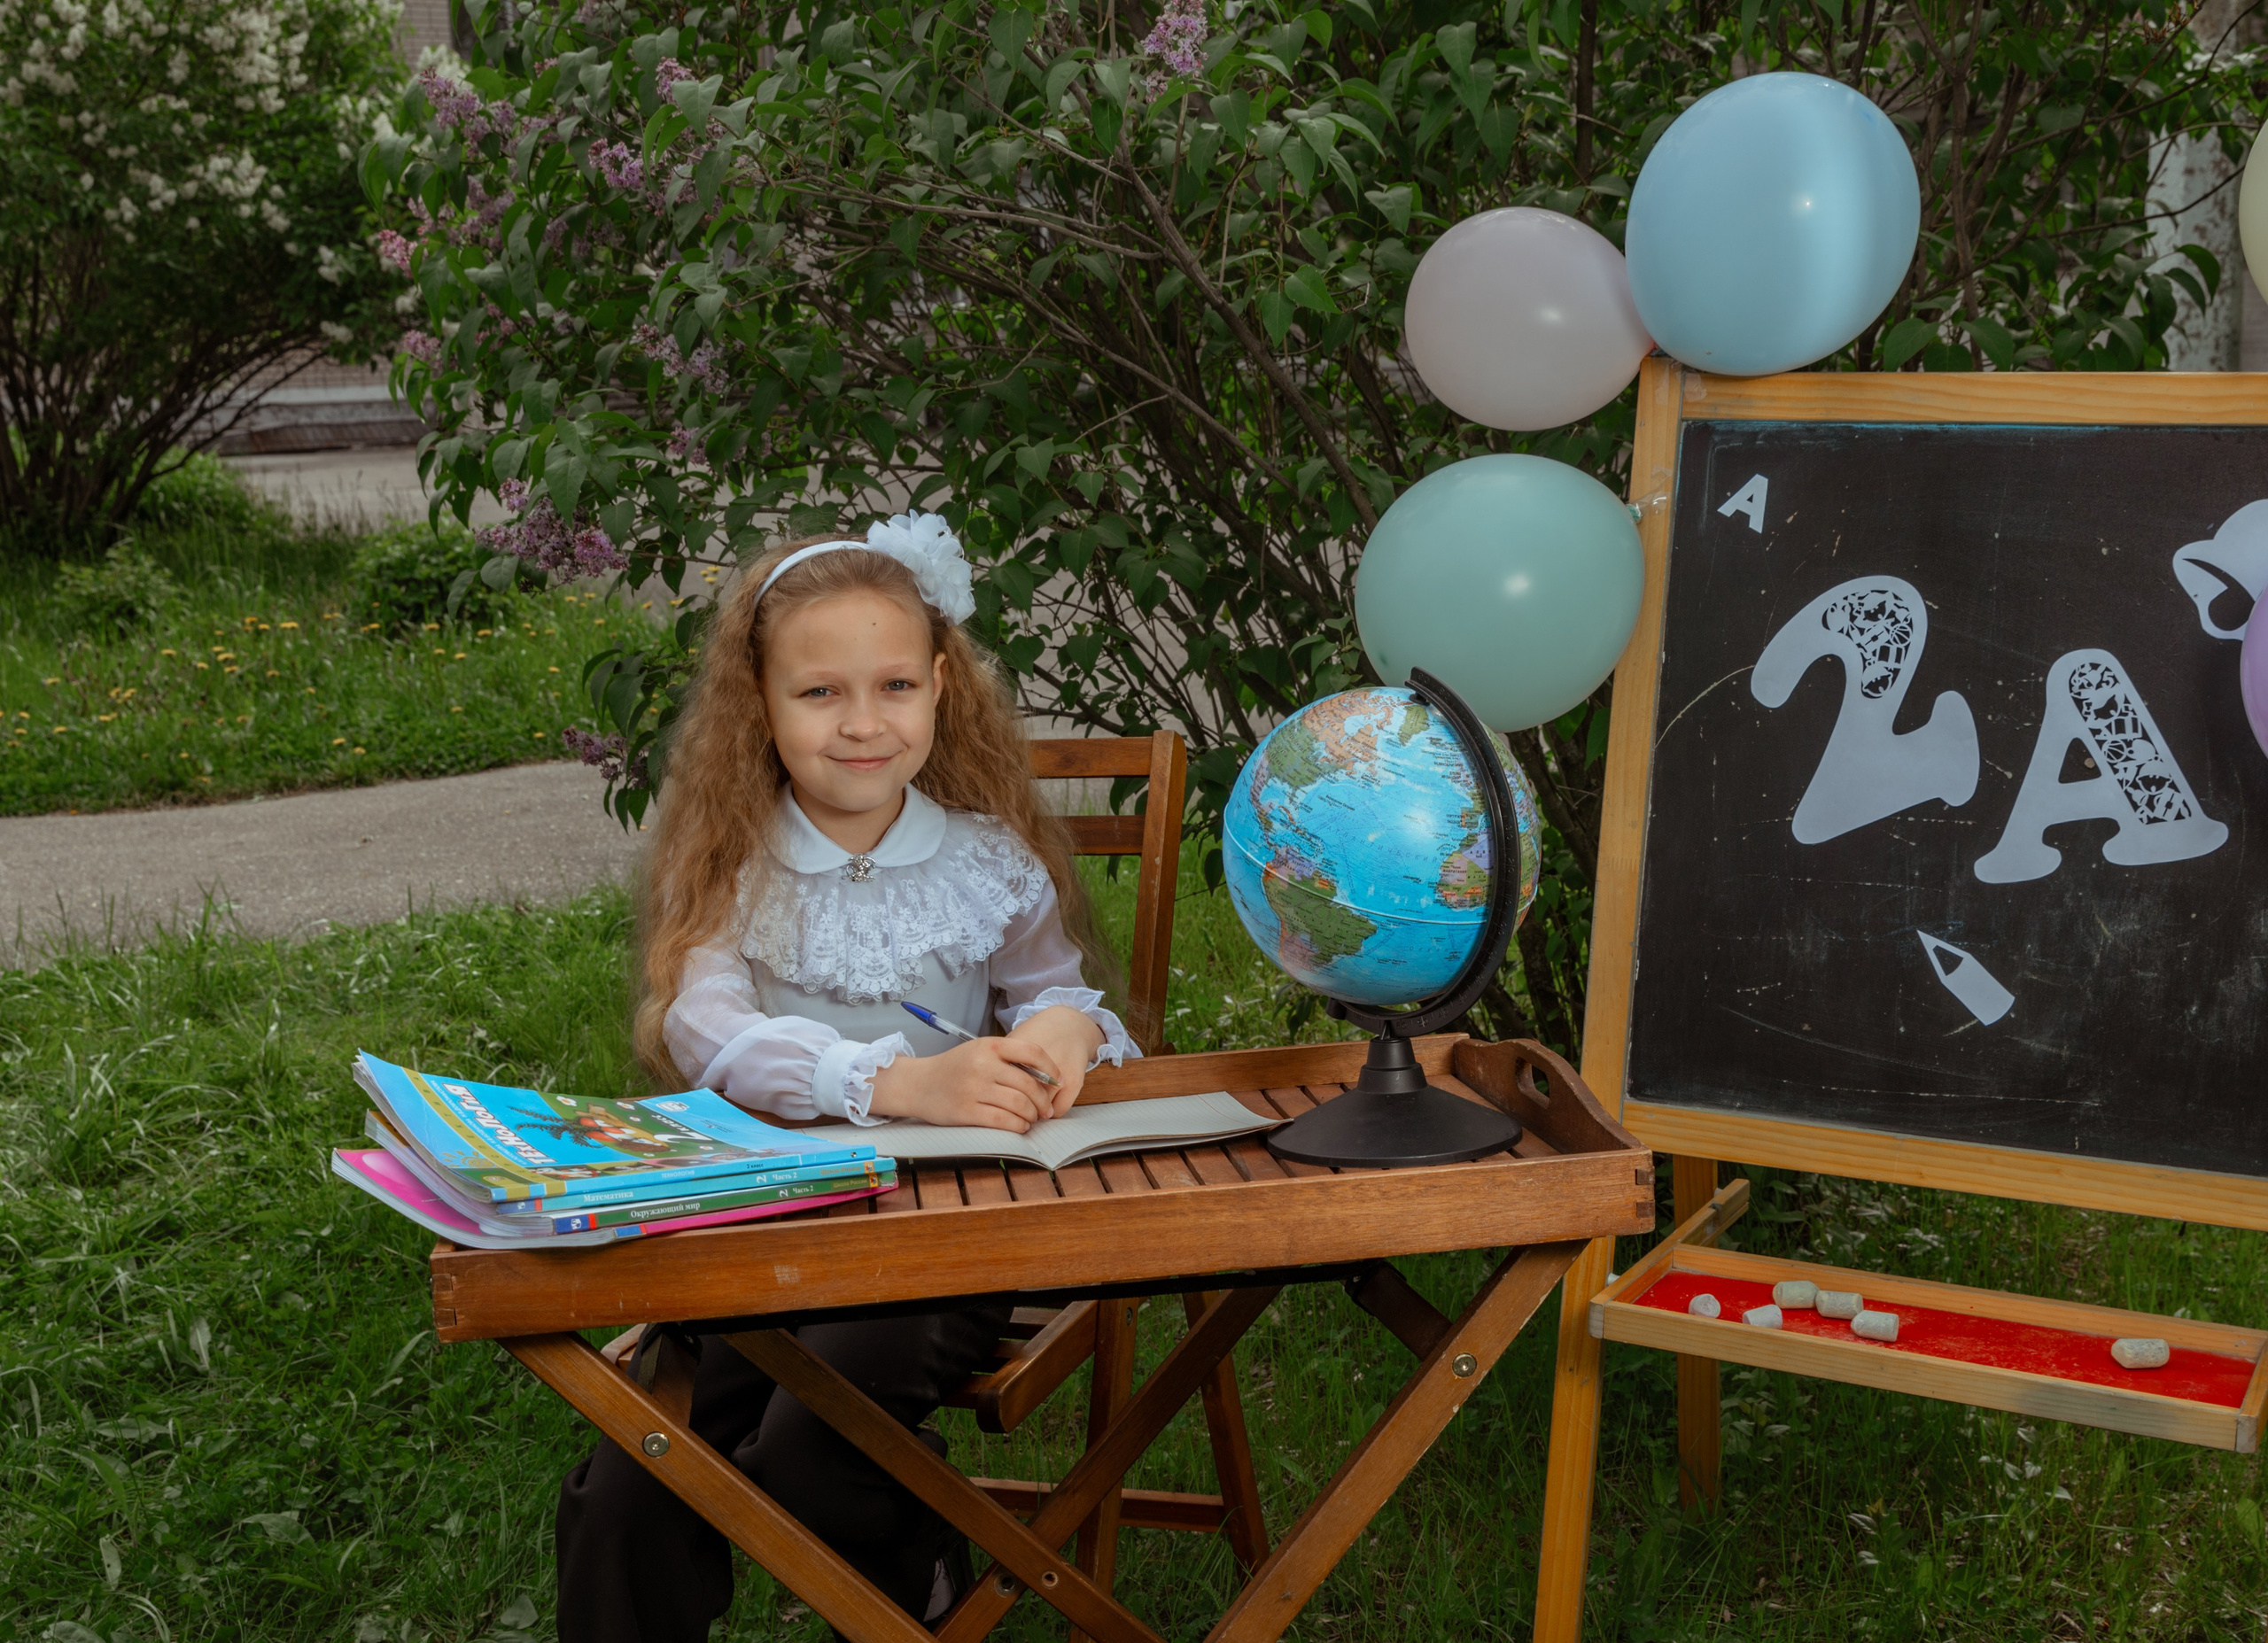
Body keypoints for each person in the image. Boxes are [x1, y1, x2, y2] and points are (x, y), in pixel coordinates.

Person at [554, 513, 1138, 1641]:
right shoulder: (737, 857)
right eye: (820, 693)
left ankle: (923, 1591)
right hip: (763, 1228)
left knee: (818, 1444)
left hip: (951, 1239)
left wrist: (1065, 1032)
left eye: (896, 687)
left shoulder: (987, 857)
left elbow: (1054, 992)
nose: (864, 724)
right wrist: (891, 1083)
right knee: (625, 1485)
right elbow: (706, 1028)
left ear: (939, 692)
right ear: (758, 707)